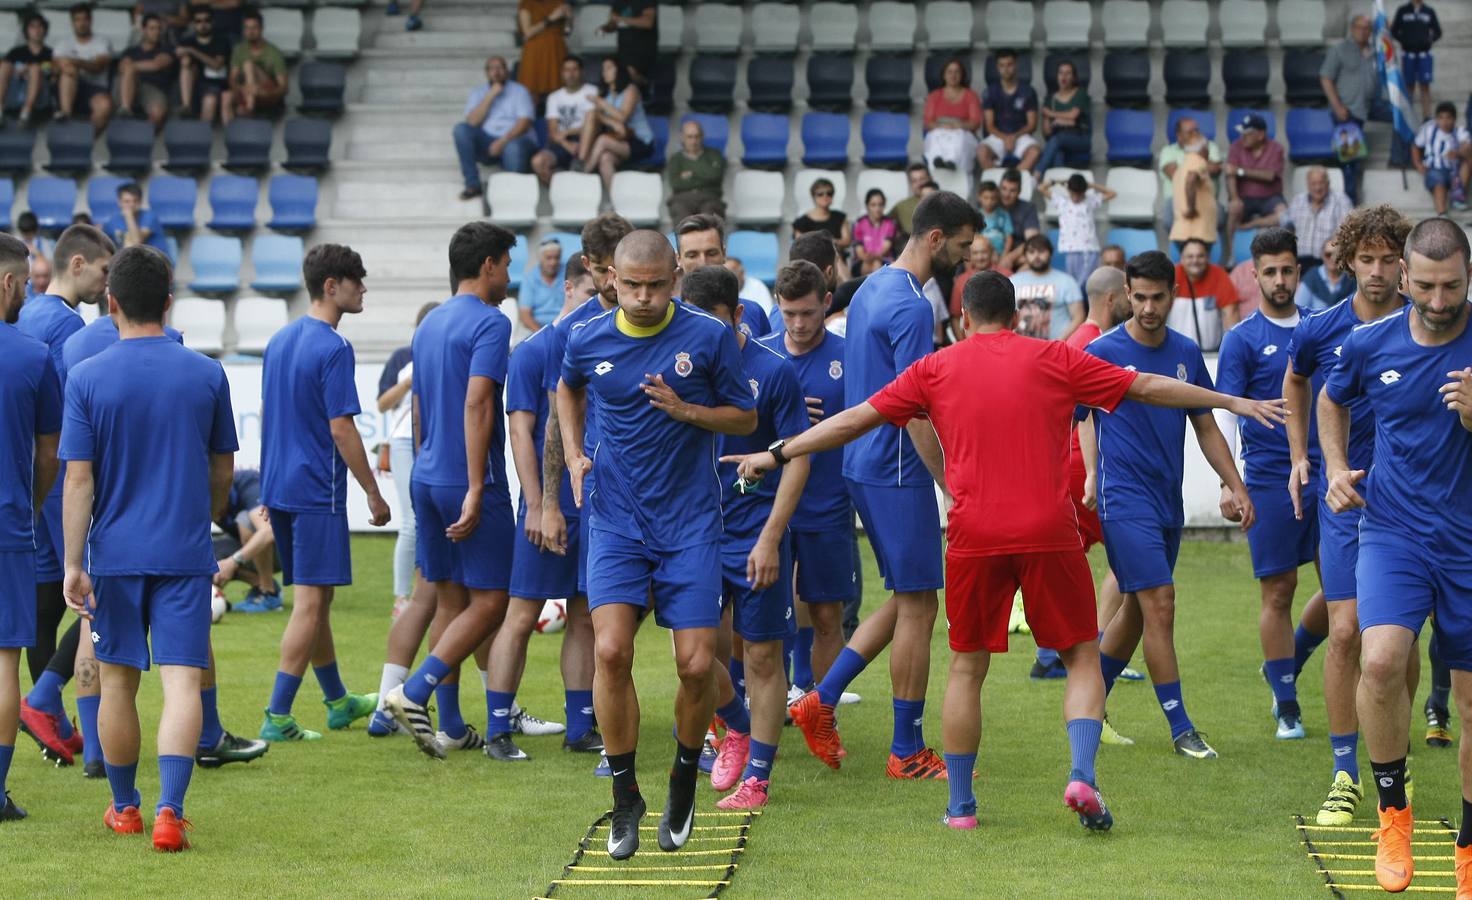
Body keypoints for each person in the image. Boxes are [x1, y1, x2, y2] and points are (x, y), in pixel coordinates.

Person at [729, 268, 1287, 831]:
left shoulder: (935, 367)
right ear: (1016, 315)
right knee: (1081, 657)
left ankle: (962, 808)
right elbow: (1146, 386)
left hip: (974, 536)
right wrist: (1232, 402)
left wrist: (778, 453)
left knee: (968, 670)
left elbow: (855, 419)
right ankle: (1081, 776)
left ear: (963, 317)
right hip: (1049, 531)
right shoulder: (1055, 358)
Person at [557, 231, 756, 858]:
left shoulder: (707, 336)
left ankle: (681, 777)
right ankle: (624, 798)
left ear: (676, 277)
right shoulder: (585, 336)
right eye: (631, 284)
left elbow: (745, 418)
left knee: (697, 665)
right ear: (610, 276)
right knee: (610, 653)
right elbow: (568, 389)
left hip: (691, 522)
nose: (643, 297)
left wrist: (689, 412)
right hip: (616, 520)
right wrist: (572, 455)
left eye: (656, 285)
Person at [786, 191, 976, 779]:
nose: (968, 256)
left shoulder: (871, 285)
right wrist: (947, 482)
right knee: (920, 605)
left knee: (907, 598)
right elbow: (917, 408)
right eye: (964, 245)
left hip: (862, 464)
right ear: (937, 239)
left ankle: (822, 696)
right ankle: (905, 749)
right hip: (897, 467)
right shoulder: (914, 307)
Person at [59, 245, 236, 851]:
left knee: (118, 685)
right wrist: (206, 516)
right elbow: (222, 470)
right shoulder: (208, 373)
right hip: (184, 552)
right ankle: (170, 813)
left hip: (114, 554)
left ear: (111, 304)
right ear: (168, 302)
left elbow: (78, 479)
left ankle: (124, 808)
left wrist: (72, 563)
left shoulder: (85, 377)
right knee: (183, 684)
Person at [1317, 217, 1471, 895]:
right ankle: (1393, 816)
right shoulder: (1368, 342)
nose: (1440, 301)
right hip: (1394, 531)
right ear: (1404, 278)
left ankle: (1467, 848)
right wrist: (1333, 467)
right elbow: (1329, 399)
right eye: (1428, 286)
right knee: (1377, 659)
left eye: (1454, 286)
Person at [1085, 249, 1258, 763]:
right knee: (1160, 603)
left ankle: (1088, 700)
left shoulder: (1185, 352)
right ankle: (1182, 728)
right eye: (1139, 297)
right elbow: (1079, 417)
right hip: (1123, 502)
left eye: (1157, 297)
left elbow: (1204, 425)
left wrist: (1235, 484)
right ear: (1125, 296)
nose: (1148, 307)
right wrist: (1091, 474)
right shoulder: (1103, 352)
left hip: (1167, 502)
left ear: (1174, 295)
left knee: (1138, 610)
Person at [1283, 204, 1412, 827]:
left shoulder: (1427, 327)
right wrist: (1302, 457)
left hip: (1409, 503)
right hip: (1344, 499)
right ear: (1347, 261)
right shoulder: (1320, 329)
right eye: (1368, 259)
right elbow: (1296, 382)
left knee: (1398, 639)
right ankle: (1343, 773)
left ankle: (1396, 754)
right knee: (1344, 631)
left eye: (1390, 260)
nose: (1379, 271)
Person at [382, 223, 519, 762]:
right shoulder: (491, 322)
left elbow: (418, 406)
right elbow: (478, 403)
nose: (510, 275)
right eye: (506, 264)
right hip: (466, 478)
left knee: (449, 595)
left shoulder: (430, 322)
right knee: (494, 600)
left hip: (426, 472)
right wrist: (476, 484)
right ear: (487, 265)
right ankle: (414, 692)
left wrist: (427, 466)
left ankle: (455, 724)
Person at [679, 266, 807, 811]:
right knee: (693, 655)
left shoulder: (772, 373)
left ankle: (757, 777)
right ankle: (737, 727)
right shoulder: (680, 367)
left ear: (736, 315)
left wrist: (771, 538)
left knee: (761, 656)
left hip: (755, 532)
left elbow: (798, 457)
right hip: (693, 531)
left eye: (707, 323)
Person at [257, 244, 388, 743]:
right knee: (310, 604)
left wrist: (269, 484)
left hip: (284, 487)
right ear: (331, 286)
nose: (364, 289)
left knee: (318, 599)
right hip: (315, 490)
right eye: (357, 280)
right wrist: (374, 494)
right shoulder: (333, 347)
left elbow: (272, 416)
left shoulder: (279, 339)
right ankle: (277, 715)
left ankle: (337, 702)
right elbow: (342, 429)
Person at [1213, 228, 1330, 742]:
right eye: (1270, 272)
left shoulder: (1325, 329)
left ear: (1298, 274)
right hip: (1267, 478)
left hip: (1331, 474)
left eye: (1288, 271)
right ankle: (1287, 704)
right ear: (1254, 275)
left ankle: (1293, 657)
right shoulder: (1241, 339)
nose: (1280, 280)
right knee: (1279, 590)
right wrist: (1227, 484)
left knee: (1344, 590)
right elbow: (1224, 416)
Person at [486, 254, 600, 759]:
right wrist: (537, 505)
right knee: (522, 613)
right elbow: (520, 431)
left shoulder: (600, 343)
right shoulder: (532, 351)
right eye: (589, 294)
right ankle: (497, 730)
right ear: (569, 291)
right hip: (546, 503)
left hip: (593, 507)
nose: (596, 304)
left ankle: (580, 727)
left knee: (585, 617)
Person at [15, 224, 113, 771]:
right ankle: (49, 702)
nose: (106, 283)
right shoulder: (69, 328)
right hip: (58, 477)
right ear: (77, 265)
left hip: (34, 477)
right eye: (102, 271)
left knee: (47, 603)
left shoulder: (27, 313)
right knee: (93, 595)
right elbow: (67, 412)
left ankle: (49, 718)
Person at [1028, 265, 1137, 706]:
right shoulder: (1094, 344)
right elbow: (1087, 411)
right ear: (1113, 299)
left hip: (1068, 463)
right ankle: (1096, 647)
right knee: (1128, 559)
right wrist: (1092, 470)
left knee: (1081, 558)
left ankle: (1058, 652)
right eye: (1128, 296)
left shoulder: (1076, 340)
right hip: (1081, 464)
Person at [757, 260, 854, 704]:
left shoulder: (847, 357)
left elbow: (867, 421)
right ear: (778, 305)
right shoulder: (759, 356)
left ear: (827, 304)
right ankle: (764, 705)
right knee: (760, 618)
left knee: (827, 613)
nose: (798, 323)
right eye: (789, 313)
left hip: (826, 504)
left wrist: (821, 427)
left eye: (808, 314)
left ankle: (824, 709)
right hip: (763, 506)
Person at [0, 232, 60, 822]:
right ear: (7, 283)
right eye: (27, 281)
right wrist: (32, 503)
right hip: (7, 523)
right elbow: (50, 455)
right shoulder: (34, 356)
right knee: (3, 660)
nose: (30, 291)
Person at [375, 301, 439, 619]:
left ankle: (427, 589)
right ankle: (402, 597)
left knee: (430, 518)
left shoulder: (442, 354)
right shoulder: (403, 358)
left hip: (434, 438)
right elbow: (382, 404)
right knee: (412, 520)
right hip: (403, 441)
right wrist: (407, 383)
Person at [1320, 15, 1392, 205]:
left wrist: (1388, 30)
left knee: (1401, 117)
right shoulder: (1340, 50)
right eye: (1359, 27)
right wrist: (1337, 106)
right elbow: (1325, 78)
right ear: (1352, 28)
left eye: (1367, 27)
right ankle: (1350, 203)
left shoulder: (1374, 51)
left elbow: (1390, 59)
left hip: (1369, 105)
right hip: (1347, 112)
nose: (1362, 31)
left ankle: (1401, 158)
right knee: (1350, 160)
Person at [673, 213, 770, 339]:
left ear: (724, 254)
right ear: (678, 259)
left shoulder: (753, 312)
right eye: (692, 255)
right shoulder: (667, 317)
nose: (703, 263)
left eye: (711, 253)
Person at [453, 56, 536, 199]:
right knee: (461, 129)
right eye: (492, 68)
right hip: (487, 142)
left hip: (514, 139)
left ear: (507, 71)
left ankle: (512, 196)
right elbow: (472, 122)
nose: (496, 72)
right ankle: (473, 184)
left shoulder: (520, 91)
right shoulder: (478, 92)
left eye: (500, 67)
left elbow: (524, 123)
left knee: (513, 148)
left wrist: (503, 141)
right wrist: (491, 95)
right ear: (487, 72)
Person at [577, 57, 654, 197]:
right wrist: (605, 117)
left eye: (609, 68)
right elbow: (606, 121)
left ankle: (583, 174)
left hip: (639, 141)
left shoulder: (630, 90)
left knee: (602, 140)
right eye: (603, 69)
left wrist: (600, 103)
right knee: (605, 158)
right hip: (619, 140)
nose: (605, 72)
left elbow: (623, 117)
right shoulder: (606, 96)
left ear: (619, 70)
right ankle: (616, 202)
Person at [210, 468, 279, 609]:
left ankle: (269, 593)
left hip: (287, 549)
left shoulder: (248, 482)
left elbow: (267, 531)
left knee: (246, 521)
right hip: (248, 550)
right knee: (207, 556)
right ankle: (258, 584)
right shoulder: (204, 499)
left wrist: (232, 561)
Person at [1224, 115, 1287, 268]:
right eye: (1242, 132)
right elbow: (1229, 173)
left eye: (1248, 133)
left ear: (1260, 135)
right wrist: (1234, 197)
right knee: (1233, 208)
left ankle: (1282, 256)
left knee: (1284, 214)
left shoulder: (1276, 148)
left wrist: (1240, 171)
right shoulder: (1236, 146)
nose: (1243, 136)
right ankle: (1231, 254)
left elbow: (1269, 175)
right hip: (1245, 197)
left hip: (1270, 197)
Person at [1040, 173, 1115, 288]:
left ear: (1084, 192)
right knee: (1073, 282)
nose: (1076, 197)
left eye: (1079, 194)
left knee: (1088, 282)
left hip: (1089, 249)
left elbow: (1112, 193)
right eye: (1073, 193)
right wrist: (1058, 181)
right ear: (1069, 190)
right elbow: (1042, 188)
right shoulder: (1062, 202)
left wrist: (1091, 185)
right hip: (1071, 249)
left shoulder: (1089, 201)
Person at [531, 57, 597, 186]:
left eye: (574, 70)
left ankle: (573, 173)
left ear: (582, 72)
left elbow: (594, 123)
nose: (571, 74)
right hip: (560, 142)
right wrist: (567, 144)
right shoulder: (554, 97)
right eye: (567, 70)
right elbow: (552, 130)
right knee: (537, 162)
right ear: (562, 73)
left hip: (585, 140)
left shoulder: (592, 91)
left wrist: (568, 132)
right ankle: (563, 191)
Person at [1009, 234, 1084, 342]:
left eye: (1041, 251)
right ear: (1025, 256)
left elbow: (1079, 317)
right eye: (1031, 252)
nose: (1036, 256)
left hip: (1056, 350)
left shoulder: (1067, 281)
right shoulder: (1013, 281)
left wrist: (1058, 343)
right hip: (1020, 348)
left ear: (1050, 254)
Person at [1171, 238, 1240, 352]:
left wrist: (1232, 350)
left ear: (1208, 257)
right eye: (1190, 256)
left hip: (1211, 353)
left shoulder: (1219, 275)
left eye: (1200, 256)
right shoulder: (1171, 275)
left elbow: (1231, 314)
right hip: (1174, 352)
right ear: (1181, 258)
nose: (1195, 261)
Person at [53, 4, 114, 132]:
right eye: (77, 19)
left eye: (85, 19)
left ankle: (87, 139)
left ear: (91, 21)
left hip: (95, 89)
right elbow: (56, 67)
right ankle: (66, 116)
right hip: (67, 88)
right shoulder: (63, 43)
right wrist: (69, 66)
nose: (81, 23)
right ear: (72, 22)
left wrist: (75, 61)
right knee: (69, 71)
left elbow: (98, 66)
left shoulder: (102, 41)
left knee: (104, 106)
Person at [1158, 116, 1223, 234]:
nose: (1195, 134)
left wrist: (1189, 167)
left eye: (1197, 130)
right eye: (1190, 132)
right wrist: (1201, 164)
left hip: (1207, 198)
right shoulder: (1168, 151)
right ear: (1179, 135)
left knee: (1220, 218)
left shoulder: (1210, 146)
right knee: (1169, 220)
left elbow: (1216, 169)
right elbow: (1175, 175)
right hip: (1176, 200)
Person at [978, 49, 1039, 173]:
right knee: (982, 151)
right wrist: (1005, 138)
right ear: (997, 67)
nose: (1006, 69)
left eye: (1009, 65)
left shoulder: (1028, 91)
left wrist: (1013, 137)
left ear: (1016, 65)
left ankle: (1014, 180)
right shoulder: (990, 91)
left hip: (1021, 136)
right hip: (998, 136)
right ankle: (996, 185)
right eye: (1002, 65)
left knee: (1034, 151)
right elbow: (989, 125)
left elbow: (1032, 125)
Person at [222, 9, 286, 123]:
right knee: (226, 96)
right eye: (247, 28)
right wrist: (242, 89)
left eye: (254, 27)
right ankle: (230, 136)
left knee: (248, 64)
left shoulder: (273, 52)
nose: (250, 31)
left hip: (266, 92)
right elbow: (232, 80)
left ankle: (249, 108)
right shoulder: (239, 49)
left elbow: (284, 87)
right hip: (247, 91)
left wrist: (268, 93)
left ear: (261, 29)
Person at [921, 58, 981, 174]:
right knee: (934, 136)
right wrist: (943, 127)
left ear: (962, 75)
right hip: (940, 130)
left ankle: (952, 163)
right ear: (944, 75)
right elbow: (928, 121)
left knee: (959, 137)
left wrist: (957, 125)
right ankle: (937, 164)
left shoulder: (971, 95)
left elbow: (975, 122)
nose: (953, 75)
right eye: (949, 72)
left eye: (957, 72)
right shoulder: (934, 96)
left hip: (963, 131)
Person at [1286, 167, 1353, 270]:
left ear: (1328, 183)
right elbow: (1288, 227)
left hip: (1327, 262)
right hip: (1300, 261)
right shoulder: (1298, 200)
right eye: (1313, 184)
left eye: (1321, 183)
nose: (1317, 188)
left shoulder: (1341, 200)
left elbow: (1347, 231)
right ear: (1308, 185)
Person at [1411, 102, 1471, 217]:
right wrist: (1418, 164)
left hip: (1455, 170)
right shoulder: (1428, 129)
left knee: (1467, 162)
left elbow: (1467, 147)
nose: (1445, 122)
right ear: (1436, 119)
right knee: (1439, 183)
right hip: (1434, 168)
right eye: (1441, 118)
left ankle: (1457, 197)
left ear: (1454, 119)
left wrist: (1457, 153)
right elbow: (1415, 146)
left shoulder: (1460, 131)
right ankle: (1442, 214)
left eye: (1448, 118)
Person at [116, 13, 173, 128]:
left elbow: (157, 64)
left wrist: (132, 67)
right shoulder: (131, 51)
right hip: (130, 85)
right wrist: (134, 68)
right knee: (127, 72)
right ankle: (125, 109)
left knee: (157, 113)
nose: (156, 32)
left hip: (154, 88)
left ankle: (142, 137)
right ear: (143, 30)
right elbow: (122, 67)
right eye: (152, 28)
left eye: (158, 28)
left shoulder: (166, 49)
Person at [948, 234, 1009, 341]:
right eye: (975, 253)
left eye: (984, 252)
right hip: (971, 343)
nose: (980, 257)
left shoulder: (1007, 276)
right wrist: (962, 343)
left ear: (991, 252)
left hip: (1003, 341)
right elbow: (955, 317)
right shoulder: (961, 280)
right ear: (970, 255)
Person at [175, 6, 229, 124]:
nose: (203, 24)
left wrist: (192, 51)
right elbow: (179, 57)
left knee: (210, 100)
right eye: (198, 21)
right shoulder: (186, 41)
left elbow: (216, 65)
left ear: (212, 22)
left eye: (206, 20)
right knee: (186, 63)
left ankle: (202, 136)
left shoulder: (221, 41)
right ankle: (186, 106)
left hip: (214, 85)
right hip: (191, 88)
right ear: (193, 24)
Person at [665, 118, 726, 222]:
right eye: (690, 137)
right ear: (682, 137)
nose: (693, 141)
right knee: (681, 216)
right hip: (682, 199)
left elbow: (715, 176)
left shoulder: (715, 154)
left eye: (697, 136)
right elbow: (676, 183)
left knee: (709, 218)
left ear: (702, 137)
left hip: (710, 197)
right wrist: (705, 173)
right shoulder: (675, 159)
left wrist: (691, 174)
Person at [1036, 60, 1091, 174]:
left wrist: (1051, 114)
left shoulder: (1080, 93)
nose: (1064, 76)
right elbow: (1046, 133)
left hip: (1080, 137)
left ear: (1074, 77)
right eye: (1061, 73)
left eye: (1068, 73)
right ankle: (1059, 184)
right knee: (1057, 151)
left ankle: (1037, 175)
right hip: (1057, 139)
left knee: (1056, 140)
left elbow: (1073, 115)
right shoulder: (1050, 99)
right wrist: (1056, 121)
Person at [1390, 0, 1441, 120]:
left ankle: (1427, 117)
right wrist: (1405, 40)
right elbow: (1394, 30)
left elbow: (1438, 32)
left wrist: (1428, 41)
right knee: (1409, 85)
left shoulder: (1429, 11)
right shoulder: (1402, 10)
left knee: (1425, 85)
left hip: (1424, 54)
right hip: (1408, 54)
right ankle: (1408, 116)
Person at [0, 14, 54, 127]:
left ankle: (26, 112)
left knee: (35, 68)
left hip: (40, 98)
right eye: (32, 27)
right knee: (5, 65)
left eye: (40, 26)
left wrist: (31, 71)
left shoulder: (51, 54)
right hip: (15, 92)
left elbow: (53, 76)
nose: (37, 30)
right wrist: (18, 72)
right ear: (26, 30)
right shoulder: (16, 52)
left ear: (45, 29)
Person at [1169, 143, 1219, 253]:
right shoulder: (1197, 161)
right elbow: (1191, 179)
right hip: (1196, 232)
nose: (1208, 153)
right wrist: (1191, 208)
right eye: (1207, 149)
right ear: (1203, 150)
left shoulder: (1183, 165)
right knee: (1196, 267)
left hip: (1185, 231)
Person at [516, 0, 571, 98]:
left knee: (558, 89)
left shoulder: (559, 2)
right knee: (532, 89)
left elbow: (566, 32)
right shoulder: (527, 3)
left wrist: (569, 19)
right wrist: (550, 18)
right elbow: (527, 33)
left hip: (556, 48)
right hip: (536, 50)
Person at [99, 182, 169, 255]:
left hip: (155, 260)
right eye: (127, 201)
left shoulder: (150, 217)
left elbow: (136, 243)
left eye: (135, 201)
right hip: (130, 262)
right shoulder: (113, 221)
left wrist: (129, 216)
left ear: (141, 201)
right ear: (119, 202)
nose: (131, 205)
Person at [600, 1, 655, 88]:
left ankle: (645, 87)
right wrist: (605, 28)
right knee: (610, 70)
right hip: (623, 49)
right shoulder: (618, 2)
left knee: (627, 75)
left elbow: (647, 22)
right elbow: (613, 23)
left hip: (643, 49)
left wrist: (620, 18)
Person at [793, 178, 852, 259]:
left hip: (836, 257)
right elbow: (799, 246)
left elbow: (847, 241)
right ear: (813, 196)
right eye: (820, 194)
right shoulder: (801, 222)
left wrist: (829, 243)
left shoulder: (840, 217)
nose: (825, 196)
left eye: (829, 193)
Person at [997, 169, 1041, 271]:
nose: (1007, 194)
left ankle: (1015, 285)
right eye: (1004, 189)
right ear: (999, 188)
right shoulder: (990, 202)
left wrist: (1010, 258)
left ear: (1019, 191)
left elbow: (1032, 240)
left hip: (1017, 255)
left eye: (1012, 191)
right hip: (990, 253)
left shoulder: (1028, 208)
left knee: (1033, 260)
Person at [1296, 239, 1355, 312]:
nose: (1332, 259)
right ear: (1322, 255)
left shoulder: (1351, 279)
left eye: (1337, 255)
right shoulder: (1311, 277)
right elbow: (1299, 310)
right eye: (1328, 255)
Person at [518, 240, 565, 331]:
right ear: (540, 258)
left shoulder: (569, 274)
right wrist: (543, 335)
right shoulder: (530, 277)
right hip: (536, 329)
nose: (553, 262)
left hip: (564, 326)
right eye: (549, 258)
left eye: (557, 258)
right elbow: (525, 315)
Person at [853, 189, 897, 275]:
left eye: (880, 205)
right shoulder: (859, 224)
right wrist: (868, 257)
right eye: (873, 205)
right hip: (863, 260)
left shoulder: (890, 224)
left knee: (876, 263)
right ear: (867, 206)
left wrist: (874, 256)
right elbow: (859, 252)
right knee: (868, 264)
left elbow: (885, 249)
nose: (877, 209)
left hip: (885, 260)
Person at [889, 163, 931, 238]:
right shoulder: (901, 206)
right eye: (914, 181)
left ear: (930, 179)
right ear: (910, 184)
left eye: (922, 179)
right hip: (910, 244)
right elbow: (883, 222)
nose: (919, 184)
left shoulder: (944, 201)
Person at [974, 180, 1012, 260]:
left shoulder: (1004, 215)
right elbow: (975, 237)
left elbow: (1009, 238)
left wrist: (1004, 256)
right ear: (979, 197)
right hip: (981, 254)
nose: (989, 201)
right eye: (986, 198)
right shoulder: (976, 216)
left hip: (1000, 254)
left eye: (993, 198)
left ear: (997, 197)